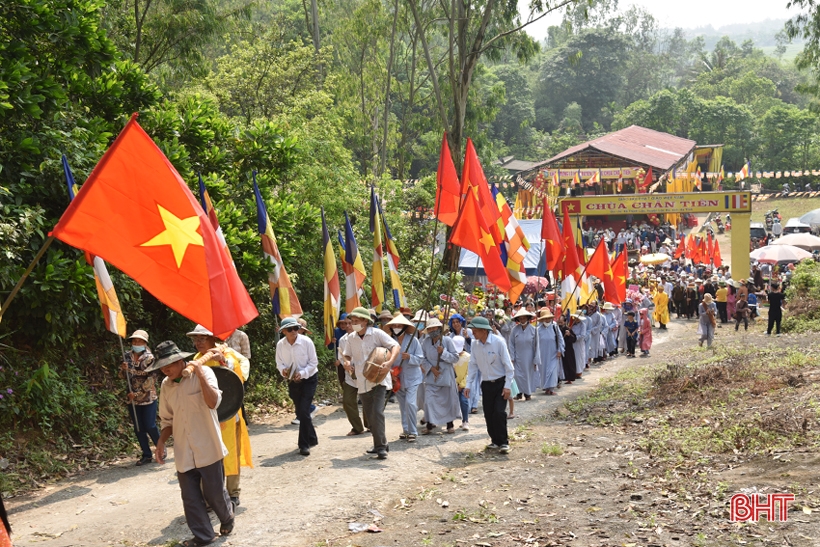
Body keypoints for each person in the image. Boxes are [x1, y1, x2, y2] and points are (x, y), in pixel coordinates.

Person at [151, 341, 235, 547]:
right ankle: (204, 536)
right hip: (183, 450)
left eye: (169, 363)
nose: (165, 369)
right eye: (162, 366)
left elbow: (213, 403)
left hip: (208, 446)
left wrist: (199, 375)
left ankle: (227, 517)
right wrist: (161, 442)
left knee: (214, 494)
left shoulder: (205, 372)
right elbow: (167, 420)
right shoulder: (166, 385)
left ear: (181, 360)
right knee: (190, 497)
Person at [187, 325, 252, 507]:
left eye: (202, 339)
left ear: (211, 339)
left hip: (228, 413)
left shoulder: (228, 354)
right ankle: (210, 497)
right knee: (207, 456)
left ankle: (233, 493)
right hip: (207, 415)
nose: (198, 343)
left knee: (230, 452)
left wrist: (223, 361)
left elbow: (239, 376)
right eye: (196, 339)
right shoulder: (197, 360)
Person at [341, 307, 400, 459]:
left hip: (379, 379)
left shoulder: (377, 333)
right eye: (352, 321)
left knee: (377, 412)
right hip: (362, 380)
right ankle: (380, 442)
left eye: (356, 321)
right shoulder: (350, 338)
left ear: (365, 321)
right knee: (369, 414)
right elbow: (346, 355)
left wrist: (389, 363)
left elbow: (395, 346)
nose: (353, 324)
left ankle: (380, 448)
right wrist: (346, 363)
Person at [464, 317, 514, 454]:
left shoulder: (498, 342)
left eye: (475, 330)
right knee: (489, 414)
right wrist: (468, 385)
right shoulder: (475, 345)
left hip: (500, 382)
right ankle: (494, 440)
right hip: (486, 383)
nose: (472, 333)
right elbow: (473, 365)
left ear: (483, 331)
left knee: (499, 412)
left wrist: (508, 386)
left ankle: (504, 441)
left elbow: (508, 366)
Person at [275, 317, 319, 456]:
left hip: (309, 379)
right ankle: (312, 437)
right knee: (301, 412)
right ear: (283, 332)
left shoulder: (306, 342)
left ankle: (303, 445)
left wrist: (303, 373)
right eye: (290, 329)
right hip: (293, 381)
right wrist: (283, 370)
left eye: (296, 328)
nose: (294, 331)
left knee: (304, 411)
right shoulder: (281, 345)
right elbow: (279, 362)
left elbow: (313, 363)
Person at [119, 329, 160, 466]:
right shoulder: (126, 356)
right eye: (134, 341)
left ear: (145, 343)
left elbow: (151, 379)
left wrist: (137, 393)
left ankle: (160, 448)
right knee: (138, 427)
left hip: (147, 397)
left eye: (140, 341)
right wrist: (122, 370)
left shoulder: (150, 359)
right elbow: (122, 377)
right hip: (132, 398)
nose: (136, 343)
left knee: (150, 425)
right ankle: (146, 454)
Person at [420, 318, 462, 435]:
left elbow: (455, 357)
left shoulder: (447, 340)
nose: (433, 330)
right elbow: (422, 358)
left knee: (447, 400)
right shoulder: (425, 342)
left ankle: (450, 424)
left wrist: (443, 353)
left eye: (435, 328)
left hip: (446, 375)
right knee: (429, 400)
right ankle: (430, 424)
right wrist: (432, 369)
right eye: (430, 328)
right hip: (431, 376)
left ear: (439, 328)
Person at [386, 314, 424, 441]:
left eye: (399, 325)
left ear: (404, 327)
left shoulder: (413, 340)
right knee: (402, 405)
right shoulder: (390, 342)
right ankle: (406, 429)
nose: (396, 327)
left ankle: (413, 431)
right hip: (398, 378)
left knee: (410, 403)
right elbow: (386, 358)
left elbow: (420, 358)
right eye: (394, 325)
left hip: (413, 377)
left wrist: (410, 357)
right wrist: (391, 372)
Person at [335, 314, 367, 436]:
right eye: (346, 324)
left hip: (364, 374)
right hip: (350, 376)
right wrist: (346, 365)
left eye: (350, 323)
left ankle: (369, 424)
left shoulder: (363, 337)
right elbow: (342, 357)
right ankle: (357, 427)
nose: (348, 326)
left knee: (366, 401)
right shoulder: (343, 340)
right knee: (348, 401)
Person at [509, 308, 540, 400]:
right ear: (518, 319)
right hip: (517, 356)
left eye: (524, 318)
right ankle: (518, 393)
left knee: (527, 375)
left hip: (529, 357)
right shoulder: (514, 330)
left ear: (527, 318)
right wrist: (512, 356)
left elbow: (537, 345)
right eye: (520, 318)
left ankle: (527, 393)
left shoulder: (534, 330)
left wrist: (536, 359)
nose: (522, 320)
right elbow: (511, 344)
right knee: (517, 375)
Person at [225, 328, 251, 425]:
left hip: (240, 371)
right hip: (225, 371)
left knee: (238, 397)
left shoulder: (242, 336)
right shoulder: (218, 335)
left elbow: (246, 356)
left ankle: (242, 423)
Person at [536, 309, 564, 395]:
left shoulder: (555, 327)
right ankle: (546, 388)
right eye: (545, 318)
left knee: (553, 370)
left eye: (549, 318)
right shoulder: (538, 329)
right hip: (542, 354)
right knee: (544, 371)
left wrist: (560, 350)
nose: (547, 320)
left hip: (553, 353)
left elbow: (560, 339)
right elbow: (535, 343)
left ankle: (551, 389)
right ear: (542, 319)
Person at [451, 335, 472, 430]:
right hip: (452, 384)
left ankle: (465, 421)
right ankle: (449, 422)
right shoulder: (451, 357)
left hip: (463, 384)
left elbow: (468, 373)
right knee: (450, 403)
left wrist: (461, 385)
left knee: (464, 401)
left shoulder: (468, 357)